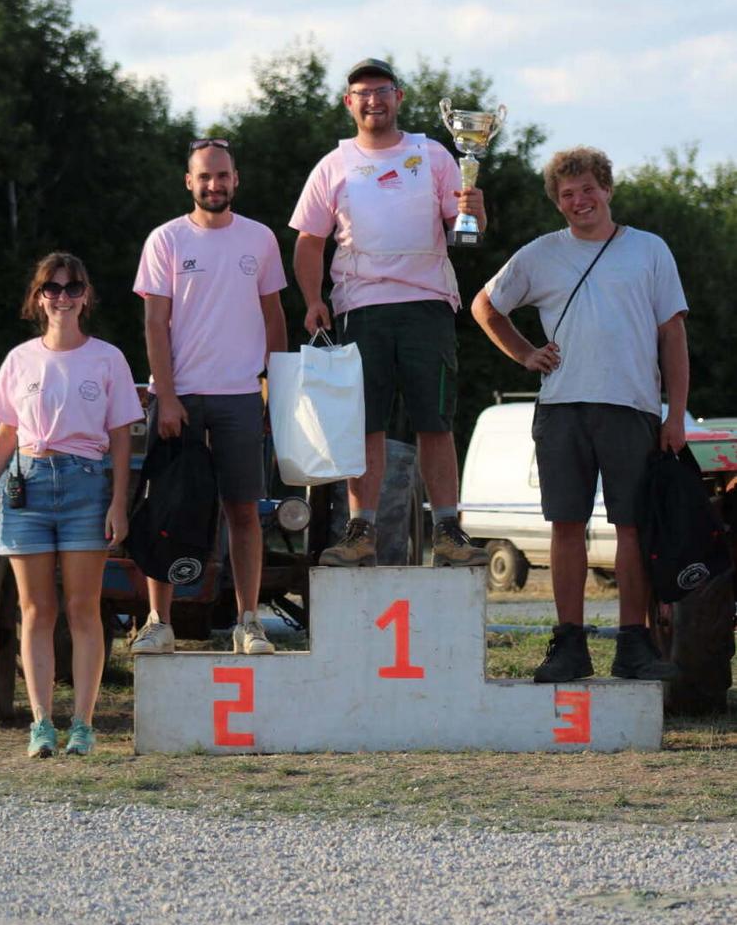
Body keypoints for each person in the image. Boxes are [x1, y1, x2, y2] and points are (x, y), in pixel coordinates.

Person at [471, 146, 689, 682]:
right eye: (567, 194)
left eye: (588, 189)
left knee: (631, 527)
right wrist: (525, 353)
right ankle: (569, 645)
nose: (579, 200)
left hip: (633, 406)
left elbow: (673, 335)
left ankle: (634, 645)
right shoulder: (541, 253)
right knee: (565, 526)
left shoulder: (649, 249)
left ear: (607, 189)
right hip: (562, 408)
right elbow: (485, 306)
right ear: (558, 203)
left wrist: (675, 416)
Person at [290, 57, 488, 567]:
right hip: (360, 308)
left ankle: (448, 530)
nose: (373, 101)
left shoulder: (435, 154)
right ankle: (362, 531)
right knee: (365, 425)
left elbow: (464, 234)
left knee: (435, 421)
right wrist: (313, 299)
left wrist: (475, 215)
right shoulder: (333, 165)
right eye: (363, 93)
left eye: (382, 91)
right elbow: (309, 241)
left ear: (398, 97)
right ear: (348, 102)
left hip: (427, 305)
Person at [131, 137, 287, 656]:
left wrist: (276, 389)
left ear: (235, 179)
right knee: (168, 509)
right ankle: (158, 622)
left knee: (244, 511)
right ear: (189, 182)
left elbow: (273, 317)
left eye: (222, 175)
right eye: (204, 176)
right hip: (179, 397)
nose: (214, 185)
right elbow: (155, 324)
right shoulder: (166, 239)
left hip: (241, 395)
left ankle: (249, 622)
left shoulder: (260, 238)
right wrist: (167, 395)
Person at [0, 253, 142, 757]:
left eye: (72, 287)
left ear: (85, 296)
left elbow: (121, 437)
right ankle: (41, 724)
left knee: (82, 608)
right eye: (51, 288)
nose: (62, 297)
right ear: (38, 298)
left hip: (86, 485)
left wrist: (118, 503)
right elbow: (5, 434)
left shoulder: (107, 358)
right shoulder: (20, 359)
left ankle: (83, 724)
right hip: (26, 486)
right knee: (35, 610)